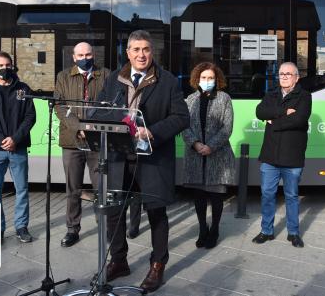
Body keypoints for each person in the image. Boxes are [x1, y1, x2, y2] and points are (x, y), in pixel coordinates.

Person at [97, 30, 189, 293]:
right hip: (118, 156)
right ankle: (119, 260)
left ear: (152, 52)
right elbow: (102, 109)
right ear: (127, 52)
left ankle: (158, 265)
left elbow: (182, 117)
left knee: (156, 212)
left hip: (153, 158)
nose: (141, 54)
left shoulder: (168, 81)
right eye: (136, 49)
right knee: (115, 211)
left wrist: (153, 131)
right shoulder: (115, 79)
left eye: (146, 49)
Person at [0, 51, 36, 242]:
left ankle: (21, 228)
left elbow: (30, 117)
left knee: (22, 189)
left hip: (17, 148)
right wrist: (2, 139)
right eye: (0, 66)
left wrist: (15, 139)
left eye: (8, 65)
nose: (4, 69)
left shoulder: (23, 89)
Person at [54, 42, 109, 247]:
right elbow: (59, 107)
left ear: (94, 54)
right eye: (80, 55)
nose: (85, 58)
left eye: (88, 54)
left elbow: (111, 104)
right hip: (71, 141)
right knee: (73, 189)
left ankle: (104, 226)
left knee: (101, 187)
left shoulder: (105, 75)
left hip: (97, 141)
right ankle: (72, 229)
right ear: (73, 57)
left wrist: (92, 126)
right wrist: (78, 127)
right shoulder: (63, 76)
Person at [252, 62, 311, 248]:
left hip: (292, 158)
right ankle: (266, 231)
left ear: (296, 77)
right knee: (267, 194)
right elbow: (260, 111)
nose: (284, 77)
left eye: (288, 74)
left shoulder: (304, 96)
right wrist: (284, 112)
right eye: (281, 74)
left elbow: (300, 120)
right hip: (270, 156)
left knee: (292, 196)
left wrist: (273, 122)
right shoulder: (272, 94)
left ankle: (293, 233)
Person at [181, 62, 235, 249]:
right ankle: (202, 228)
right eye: (203, 78)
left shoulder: (224, 98)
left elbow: (227, 127)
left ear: (217, 79)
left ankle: (215, 230)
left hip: (217, 156)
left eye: (210, 78)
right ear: (197, 79)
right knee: (199, 196)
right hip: (195, 155)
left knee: (216, 196)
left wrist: (210, 146)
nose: (207, 81)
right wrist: (196, 144)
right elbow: (184, 126)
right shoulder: (190, 99)